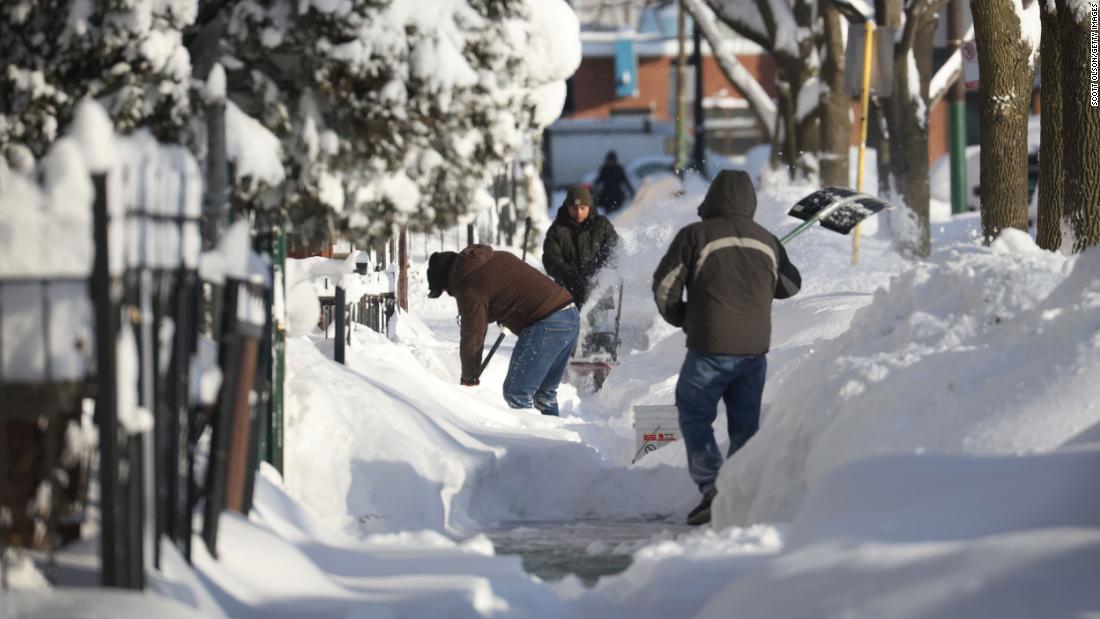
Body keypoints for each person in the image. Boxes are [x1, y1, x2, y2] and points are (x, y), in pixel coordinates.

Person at [651, 170, 801, 526]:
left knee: (694, 414)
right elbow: (790, 286)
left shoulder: (695, 235)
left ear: (712, 197)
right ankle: (740, 494)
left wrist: (683, 317)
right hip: (754, 351)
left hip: (710, 346)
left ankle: (714, 487)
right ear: (750, 200)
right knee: (744, 427)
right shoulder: (767, 240)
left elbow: (664, 286)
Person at [427, 244, 579, 416]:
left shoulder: (466, 283)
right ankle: (554, 440)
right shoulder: (490, 258)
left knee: (516, 392)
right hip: (569, 315)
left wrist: (469, 378)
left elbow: (473, 335)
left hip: (547, 322)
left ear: (447, 280)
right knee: (544, 394)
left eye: (445, 290)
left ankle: (531, 440)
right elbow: (510, 290)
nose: (449, 293)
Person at [542, 185, 620, 308]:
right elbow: (550, 259)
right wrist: (569, 275)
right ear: (567, 207)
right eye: (574, 208)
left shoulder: (602, 225)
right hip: (567, 297)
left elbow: (614, 250)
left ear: (589, 207)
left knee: (596, 326)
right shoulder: (557, 230)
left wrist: (597, 272)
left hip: (598, 296)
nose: (578, 213)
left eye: (582, 208)